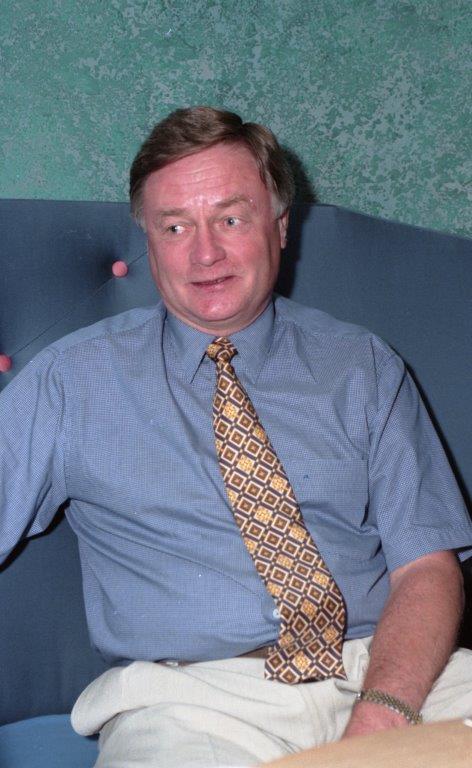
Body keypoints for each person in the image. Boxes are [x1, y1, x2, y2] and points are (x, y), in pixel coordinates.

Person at [1, 106, 472, 768]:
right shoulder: (71, 382)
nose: (205, 254)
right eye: (175, 227)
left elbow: (427, 567)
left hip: (391, 676)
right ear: (148, 239)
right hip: (189, 703)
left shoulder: (361, 365)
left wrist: (382, 714)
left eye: (230, 219)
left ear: (280, 226)